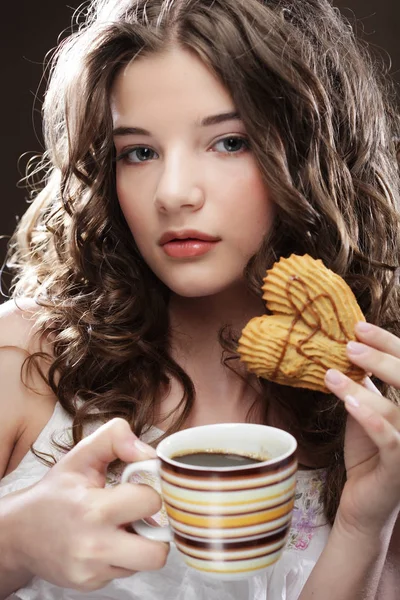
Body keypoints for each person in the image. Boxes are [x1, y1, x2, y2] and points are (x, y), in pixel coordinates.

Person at [0, 0, 399, 598]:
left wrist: (363, 526)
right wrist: (12, 545)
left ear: (312, 149)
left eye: (229, 142)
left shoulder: (380, 404)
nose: (174, 192)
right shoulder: (21, 358)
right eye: (139, 152)